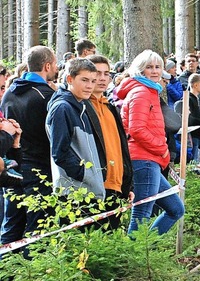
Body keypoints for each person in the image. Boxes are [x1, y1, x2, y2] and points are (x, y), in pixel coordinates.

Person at [117, 50, 185, 235]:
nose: (154, 71)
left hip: (150, 159)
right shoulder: (141, 92)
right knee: (141, 214)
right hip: (144, 159)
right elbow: (136, 129)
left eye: (157, 67)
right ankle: (132, 259)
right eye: (149, 67)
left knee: (176, 209)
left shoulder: (149, 90)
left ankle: (147, 253)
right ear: (141, 70)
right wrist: (162, 149)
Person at [1, 46, 58, 246]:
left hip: (13, 166)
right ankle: (31, 275)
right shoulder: (47, 96)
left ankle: (6, 274)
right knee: (38, 226)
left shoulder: (9, 92)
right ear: (47, 65)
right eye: (55, 64)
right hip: (39, 167)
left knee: (12, 224)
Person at [46, 59, 105, 205]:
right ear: (70, 79)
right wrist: (86, 174)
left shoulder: (81, 106)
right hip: (74, 194)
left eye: (92, 81)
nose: (89, 86)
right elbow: (60, 153)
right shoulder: (62, 108)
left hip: (88, 191)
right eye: (84, 80)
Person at [85, 55, 134, 228]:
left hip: (117, 184)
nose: (102, 78)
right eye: (97, 73)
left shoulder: (110, 107)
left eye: (107, 73)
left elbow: (122, 148)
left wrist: (128, 183)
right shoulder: (80, 108)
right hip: (95, 187)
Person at [175, 73, 200, 163]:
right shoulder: (187, 99)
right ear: (196, 85)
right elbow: (188, 120)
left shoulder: (198, 99)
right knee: (193, 163)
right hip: (192, 137)